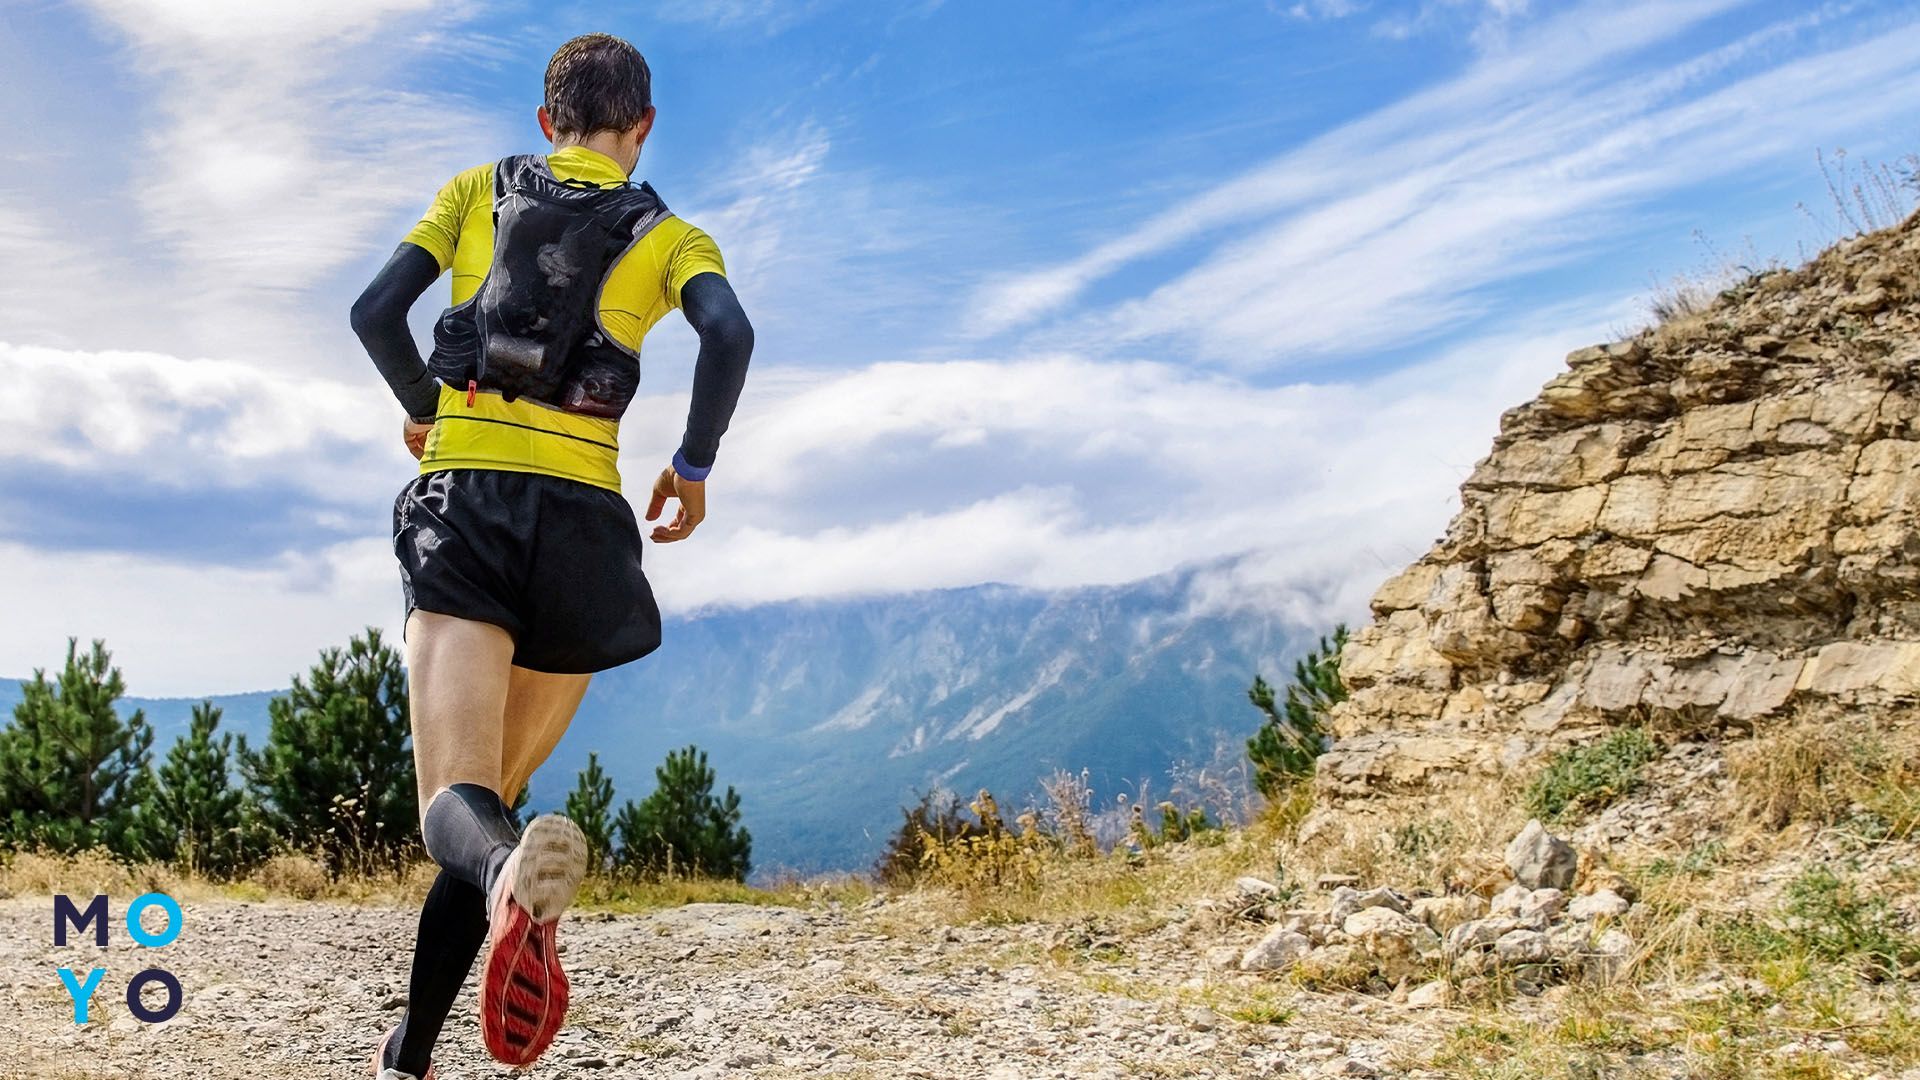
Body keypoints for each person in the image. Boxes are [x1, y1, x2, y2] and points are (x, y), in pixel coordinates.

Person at [349, 32, 753, 1080]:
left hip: (470, 507)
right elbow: (729, 334)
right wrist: (693, 466)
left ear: (547, 120)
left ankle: (492, 898)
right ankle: (410, 1055)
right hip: (583, 527)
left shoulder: (474, 189)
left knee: (456, 810)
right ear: (644, 127)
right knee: (493, 818)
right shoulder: (672, 234)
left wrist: (423, 410)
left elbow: (373, 311)